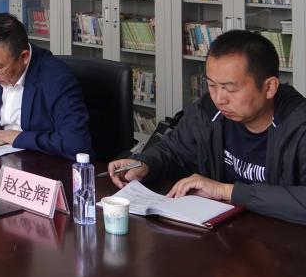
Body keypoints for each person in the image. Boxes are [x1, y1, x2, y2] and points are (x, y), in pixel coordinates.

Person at [109, 30, 306, 225]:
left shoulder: (299, 125)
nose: (219, 99)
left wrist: (225, 190)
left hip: (282, 238)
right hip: (225, 231)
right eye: (212, 85)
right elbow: (173, 150)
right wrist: (145, 164)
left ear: (269, 87)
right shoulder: (209, 112)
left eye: (230, 88)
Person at [0, 13, 91, 159]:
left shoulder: (57, 79)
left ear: (24, 57)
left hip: (41, 165)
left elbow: (76, 143)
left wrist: (18, 137)